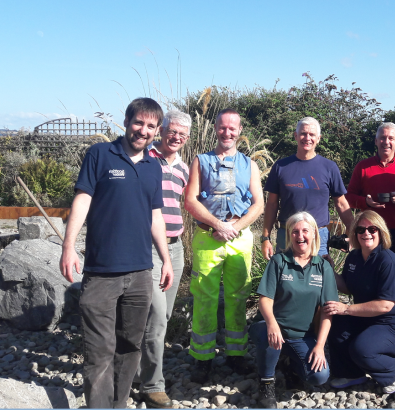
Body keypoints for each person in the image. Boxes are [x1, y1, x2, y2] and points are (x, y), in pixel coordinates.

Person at [59, 97, 174, 409]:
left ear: (157, 131)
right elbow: (83, 199)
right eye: (138, 123)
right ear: (126, 122)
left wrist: (165, 260)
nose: (143, 130)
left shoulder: (154, 167)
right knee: (99, 351)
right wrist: (68, 247)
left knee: (129, 347)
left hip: (140, 274)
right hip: (101, 272)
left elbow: (155, 216)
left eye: (151, 126)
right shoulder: (100, 154)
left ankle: (118, 404)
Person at [184, 108, 264, 383]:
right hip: (208, 237)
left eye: (232, 128)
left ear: (240, 131)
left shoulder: (249, 165)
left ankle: (236, 354)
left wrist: (233, 228)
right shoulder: (201, 161)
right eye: (222, 127)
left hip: (239, 239)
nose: (227, 132)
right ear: (215, 128)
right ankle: (202, 357)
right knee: (204, 298)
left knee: (238, 296)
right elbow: (190, 200)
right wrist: (218, 225)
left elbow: (258, 204)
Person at [323, 210, 395, 394]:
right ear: (355, 233)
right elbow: (348, 287)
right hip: (369, 319)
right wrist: (330, 270)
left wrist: (347, 309)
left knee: (362, 349)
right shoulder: (354, 257)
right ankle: (351, 373)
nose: (366, 233)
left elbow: (386, 305)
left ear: (381, 232)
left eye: (372, 229)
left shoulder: (387, 260)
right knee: (336, 320)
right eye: (360, 229)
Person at [249, 212, 338, 408]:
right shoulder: (279, 261)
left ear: (314, 234)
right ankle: (266, 383)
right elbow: (265, 299)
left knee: (319, 376)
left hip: (302, 335)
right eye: (295, 232)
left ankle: (290, 364)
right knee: (268, 335)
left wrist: (320, 346)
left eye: (305, 231)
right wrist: (272, 324)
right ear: (289, 235)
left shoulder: (323, 267)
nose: (300, 236)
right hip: (271, 328)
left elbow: (327, 311)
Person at [135, 108, 191, 409]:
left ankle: (135, 370)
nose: (176, 137)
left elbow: (191, 201)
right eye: (172, 131)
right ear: (162, 130)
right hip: (148, 247)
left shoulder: (184, 168)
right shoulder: (145, 158)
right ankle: (153, 385)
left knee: (164, 315)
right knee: (156, 315)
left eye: (182, 134)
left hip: (176, 247)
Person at [345, 122, 395, 315]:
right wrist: (365, 202)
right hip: (369, 234)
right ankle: (366, 318)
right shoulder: (363, 167)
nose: (386, 142)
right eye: (382, 137)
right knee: (368, 280)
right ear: (376, 141)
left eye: (391, 138)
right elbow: (348, 197)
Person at [262, 117, 354, 260]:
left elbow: (341, 203)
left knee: (319, 274)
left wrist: (353, 232)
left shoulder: (329, 167)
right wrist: (265, 237)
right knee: (284, 273)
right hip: (287, 234)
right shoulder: (280, 167)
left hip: (318, 236)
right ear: (296, 136)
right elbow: (272, 204)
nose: (307, 138)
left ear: (318, 138)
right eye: (303, 134)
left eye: (312, 134)